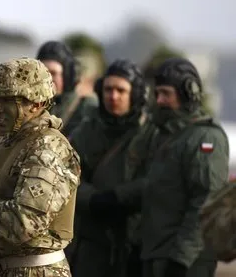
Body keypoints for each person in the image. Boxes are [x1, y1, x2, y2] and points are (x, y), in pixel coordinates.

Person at [0, 58, 81, 277]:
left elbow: (23, 223)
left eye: (7, 101)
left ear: (36, 103)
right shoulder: (10, 142)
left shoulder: (48, 148)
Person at [69, 59, 158, 277]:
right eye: (108, 89)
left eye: (121, 90)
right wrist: (92, 199)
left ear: (135, 94)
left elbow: (157, 179)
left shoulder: (151, 134)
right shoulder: (87, 130)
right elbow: (65, 174)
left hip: (134, 244)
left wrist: (118, 198)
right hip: (91, 243)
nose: (113, 96)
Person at [141, 58, 229, 277]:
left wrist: (180, 260)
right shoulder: (165, 135)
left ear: (188, 93)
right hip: (156, 255)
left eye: (166, 93)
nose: (159, 100)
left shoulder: (206, 137)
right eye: (157, 93)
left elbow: (204, 202)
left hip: (186, 262)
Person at [37, 41, 97, 136]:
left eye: (53, 73)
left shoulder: (87, 108)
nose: (47, 78)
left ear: (67, 75)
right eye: (43, 72)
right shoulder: (32, 109)